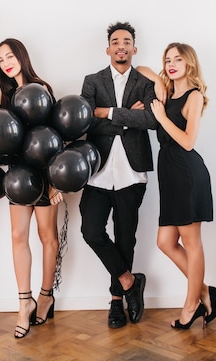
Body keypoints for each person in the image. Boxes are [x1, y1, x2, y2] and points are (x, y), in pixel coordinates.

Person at [138, 42, 216, 330]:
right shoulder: (165, 91)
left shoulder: (194, 97)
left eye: (178, 59)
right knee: (165, 242)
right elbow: (141, 68)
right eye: (167, 59)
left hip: (187, 174)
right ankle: (203, 291)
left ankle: (191, 306)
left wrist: (162, 117)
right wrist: (157, 80)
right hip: (170, 174)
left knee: (191, 244)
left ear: (189, 63)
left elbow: (189, 142)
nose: (171, 63)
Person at [79, 21, 164, 329]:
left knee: (125, 236)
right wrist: (129, 117)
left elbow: (153, 120)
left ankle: (116, 302)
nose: (121, 45)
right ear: (108, 48)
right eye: (116, 41)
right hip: (98, 171)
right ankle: (130, 282)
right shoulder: (92, 81)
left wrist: (109, 112)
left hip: (132, 172)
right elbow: (84, 121)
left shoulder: (144, 82)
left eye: (126, 41)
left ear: (134, 48)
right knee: (91, 230)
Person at [0, 38, 63, 339]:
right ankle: (24, 303)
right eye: (0, 58)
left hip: (45, 174)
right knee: (18, 236)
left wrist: (56, 181)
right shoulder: (5, 95)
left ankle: (46, 296)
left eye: (10, 55)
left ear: (21, 56)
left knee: (48, 237)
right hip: (18, 177)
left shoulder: (41, 89)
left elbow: (56, 136)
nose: (6, 62)